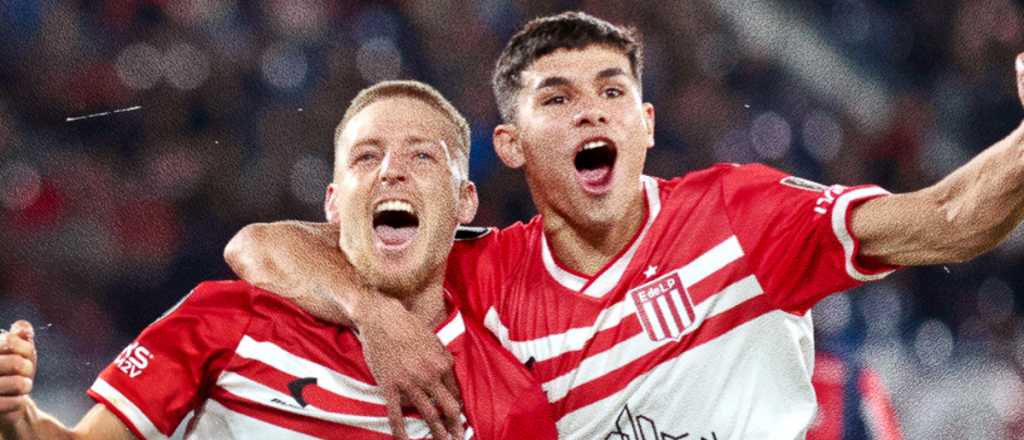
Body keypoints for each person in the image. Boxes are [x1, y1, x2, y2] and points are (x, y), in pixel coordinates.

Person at [224, 11, 1024, 439]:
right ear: (510, 145)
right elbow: (260, 246)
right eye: (558, 99)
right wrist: (371, 313)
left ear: (643, 123)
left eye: (611, 93)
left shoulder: (742, 216)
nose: (590, 112)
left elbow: (949, 219)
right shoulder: (480, 273)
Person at [0, 81, 557, 440]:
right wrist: (16, 419)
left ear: (466, 202)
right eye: (367, 156)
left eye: (423, 155)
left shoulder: (507, 402)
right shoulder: (226, 320)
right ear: (333, 203)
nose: (392, 170)